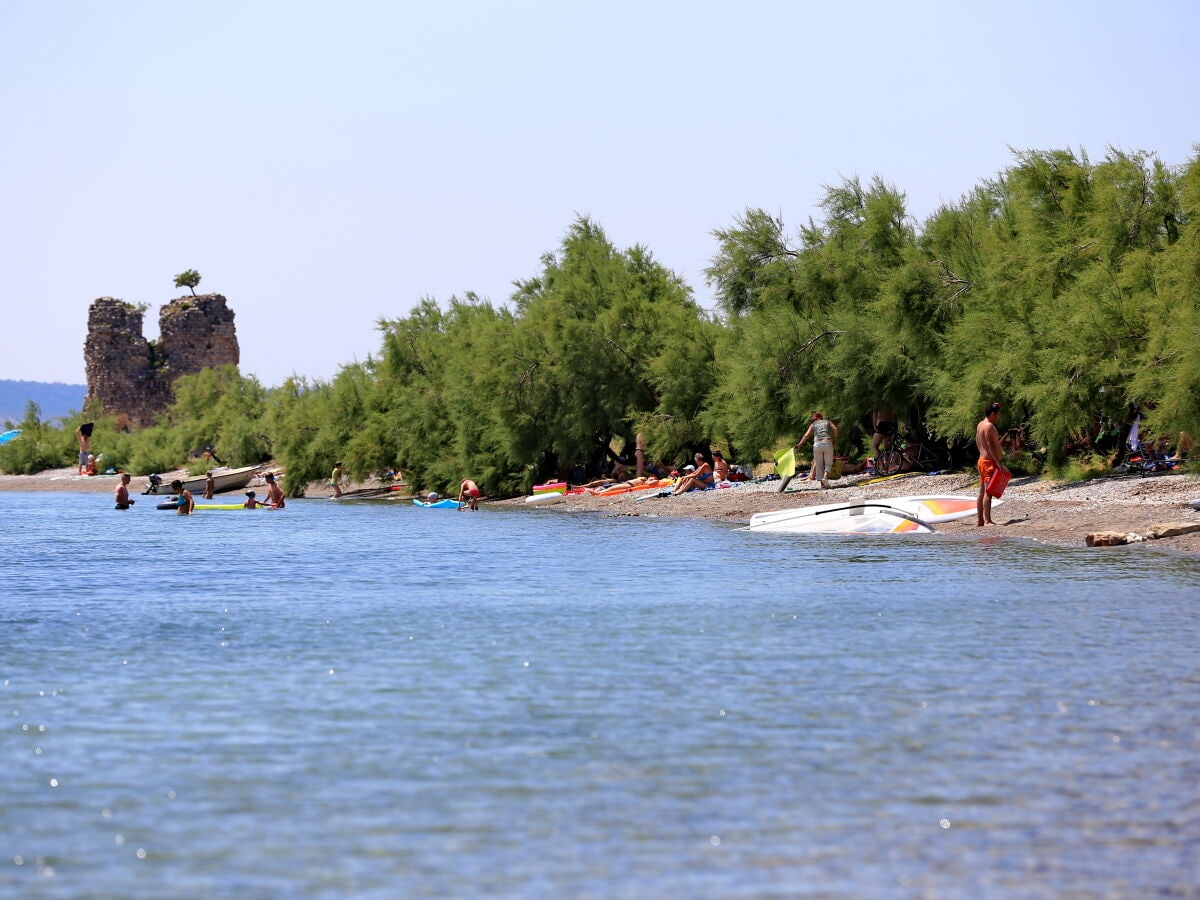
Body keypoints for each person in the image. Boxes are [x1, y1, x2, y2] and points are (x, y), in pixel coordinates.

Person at [975, 401, 1007, 527]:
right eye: (998, 414)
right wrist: (998, 463)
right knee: (988, 492)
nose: (999, 416)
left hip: (982, 461)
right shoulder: (989, 426)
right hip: (988, 462)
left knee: (982, 492)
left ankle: (980, 520)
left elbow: (978, 443)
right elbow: (990, 446)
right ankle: (987, 521)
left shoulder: (980, 425)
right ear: (993, 413)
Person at [794, 411, 840, 488]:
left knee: (819, 464)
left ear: (815, 419)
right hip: (827, 442)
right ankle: (825, 477)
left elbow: (806, 435)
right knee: (828, 462)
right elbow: (835, 429)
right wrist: (835, 439)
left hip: (817, 444)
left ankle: (822, 484)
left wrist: (799, 445)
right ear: (821, 417)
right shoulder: (827, 422)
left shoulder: (813, 424)